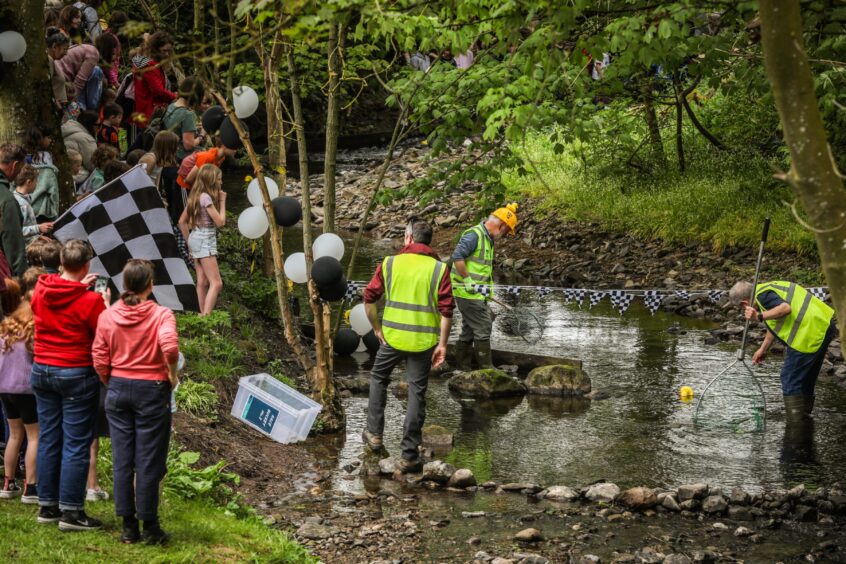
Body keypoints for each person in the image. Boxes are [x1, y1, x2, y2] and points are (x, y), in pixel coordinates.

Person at [93, 259, 178, 544]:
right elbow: (170, 346)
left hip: (117, 389)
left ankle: (128, 526)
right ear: (150, 285)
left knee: (122, 459)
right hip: (152, 390)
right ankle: (150, 526)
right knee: (148, 459)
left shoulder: (108, 316)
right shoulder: (162, 315)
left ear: (125, 284)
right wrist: (172, 374)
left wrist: (109, 379)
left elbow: (99, 356)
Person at [362, 220, 454, 472]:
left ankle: (374, 434)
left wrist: (377, 328)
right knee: (416, 392)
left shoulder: (390, 263)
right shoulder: (438, 269)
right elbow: (447, 311)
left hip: (392, 338)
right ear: (429, 241)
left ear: (408, 237)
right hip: (423, 342)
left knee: (379, 378)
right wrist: (443, 345)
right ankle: (409, 454)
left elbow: (369, 298)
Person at [30, 239, 109, 530]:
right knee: (76, 442)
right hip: (75, 372)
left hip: (41, 369)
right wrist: (102, 302)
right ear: (87, 265)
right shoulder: (91, 301)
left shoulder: (41, 288)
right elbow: (101, 335)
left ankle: (47, 505)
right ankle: (72, 511)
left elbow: (61, 292)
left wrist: (78, 286)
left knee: (50, 436)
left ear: (62, 263)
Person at [729, 280, 838, 420]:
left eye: (742, 308)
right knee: (806, 378)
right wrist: (762, 349)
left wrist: (759, 317)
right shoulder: (767, 289)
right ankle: (805, 418)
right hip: (823, 326)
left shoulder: (763, 295)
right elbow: (776, 322)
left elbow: (785, 309)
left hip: (808, 332)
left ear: (744, 303)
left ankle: (796, 425)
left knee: (790, 378)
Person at [450, 203, 518, 369]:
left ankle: (462, 368)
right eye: (507, 231)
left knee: (468, 329)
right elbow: (457, 257)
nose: (506, 234)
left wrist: (485, 290)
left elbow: (481, 269)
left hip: (478, 293)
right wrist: (467, 280)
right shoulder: (474, 235)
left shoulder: (488, 239)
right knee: (483, 325)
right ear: (501, 225)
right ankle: (487, 369)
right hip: (466, 292)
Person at [0, 280, 39, 503]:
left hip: (5, 388)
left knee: (14, 435)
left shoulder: (6, 327)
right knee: (34, 436)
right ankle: (30, 486)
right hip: (26, 388)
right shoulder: (33, 329)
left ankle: (8, 482)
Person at [178, 164, 226, 315]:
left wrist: (190, 244)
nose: (221, 182)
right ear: (211, 181)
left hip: (195, 238)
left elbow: (181, 221)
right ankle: (206, 318)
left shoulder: (195, 195)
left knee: (202, 282)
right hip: (205, 240)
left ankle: (200, 315)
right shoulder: (206, 197)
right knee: (216, 283)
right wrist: (223, 201)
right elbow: (220, 222)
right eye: (219, 179)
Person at [130, 31, 176, 131]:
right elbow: (158, 91)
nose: (167, 54)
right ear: (155, 49)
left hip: (142, 111)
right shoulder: (150, 66)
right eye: (164, 51)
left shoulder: (142, 60)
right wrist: (176, 96)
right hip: (149, 114)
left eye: (169, 51)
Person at [0, 144, 28, 277]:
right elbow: (14, 250)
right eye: (20, 168)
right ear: (15, 165)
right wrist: (22, 284)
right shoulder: (7, 200)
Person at [162, 77, 205, 162]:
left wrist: (193, 128)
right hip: (179, 157)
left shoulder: (171, 106)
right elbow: (188, 145)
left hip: (167, 153)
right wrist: (202, 135)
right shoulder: (187, 114)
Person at [12, 165, 53, 246]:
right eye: (36, 181)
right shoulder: (20, 204)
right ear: (29, 182)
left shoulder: (24, 198)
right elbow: (15, 231)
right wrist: (38, 228)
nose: (37, 184)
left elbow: (28, 224)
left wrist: (37, 237)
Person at [55, 42, 103, 111]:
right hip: (61, 79)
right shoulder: (94, 54)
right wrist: (73, 102)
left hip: (57, 75)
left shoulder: (84, 47)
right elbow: (80, 81)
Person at [152, 131, 181, 223]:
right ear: (170, 148)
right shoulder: (173, 171)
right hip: (170, 212)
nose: (178, 148)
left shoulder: (157, 166)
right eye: (176, 146)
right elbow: (175, 197)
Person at [46, 27, 71, 112]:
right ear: (54, 47)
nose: (66, 53)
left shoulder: (52, 60)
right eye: (65, 49)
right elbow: (46, 85)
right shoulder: (49, 60)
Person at [102, 11, 128, 88]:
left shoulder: (108, 34)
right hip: (107, 79)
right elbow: (106, 63)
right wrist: (115, 83)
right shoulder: (110, 39)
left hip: (109, 78)